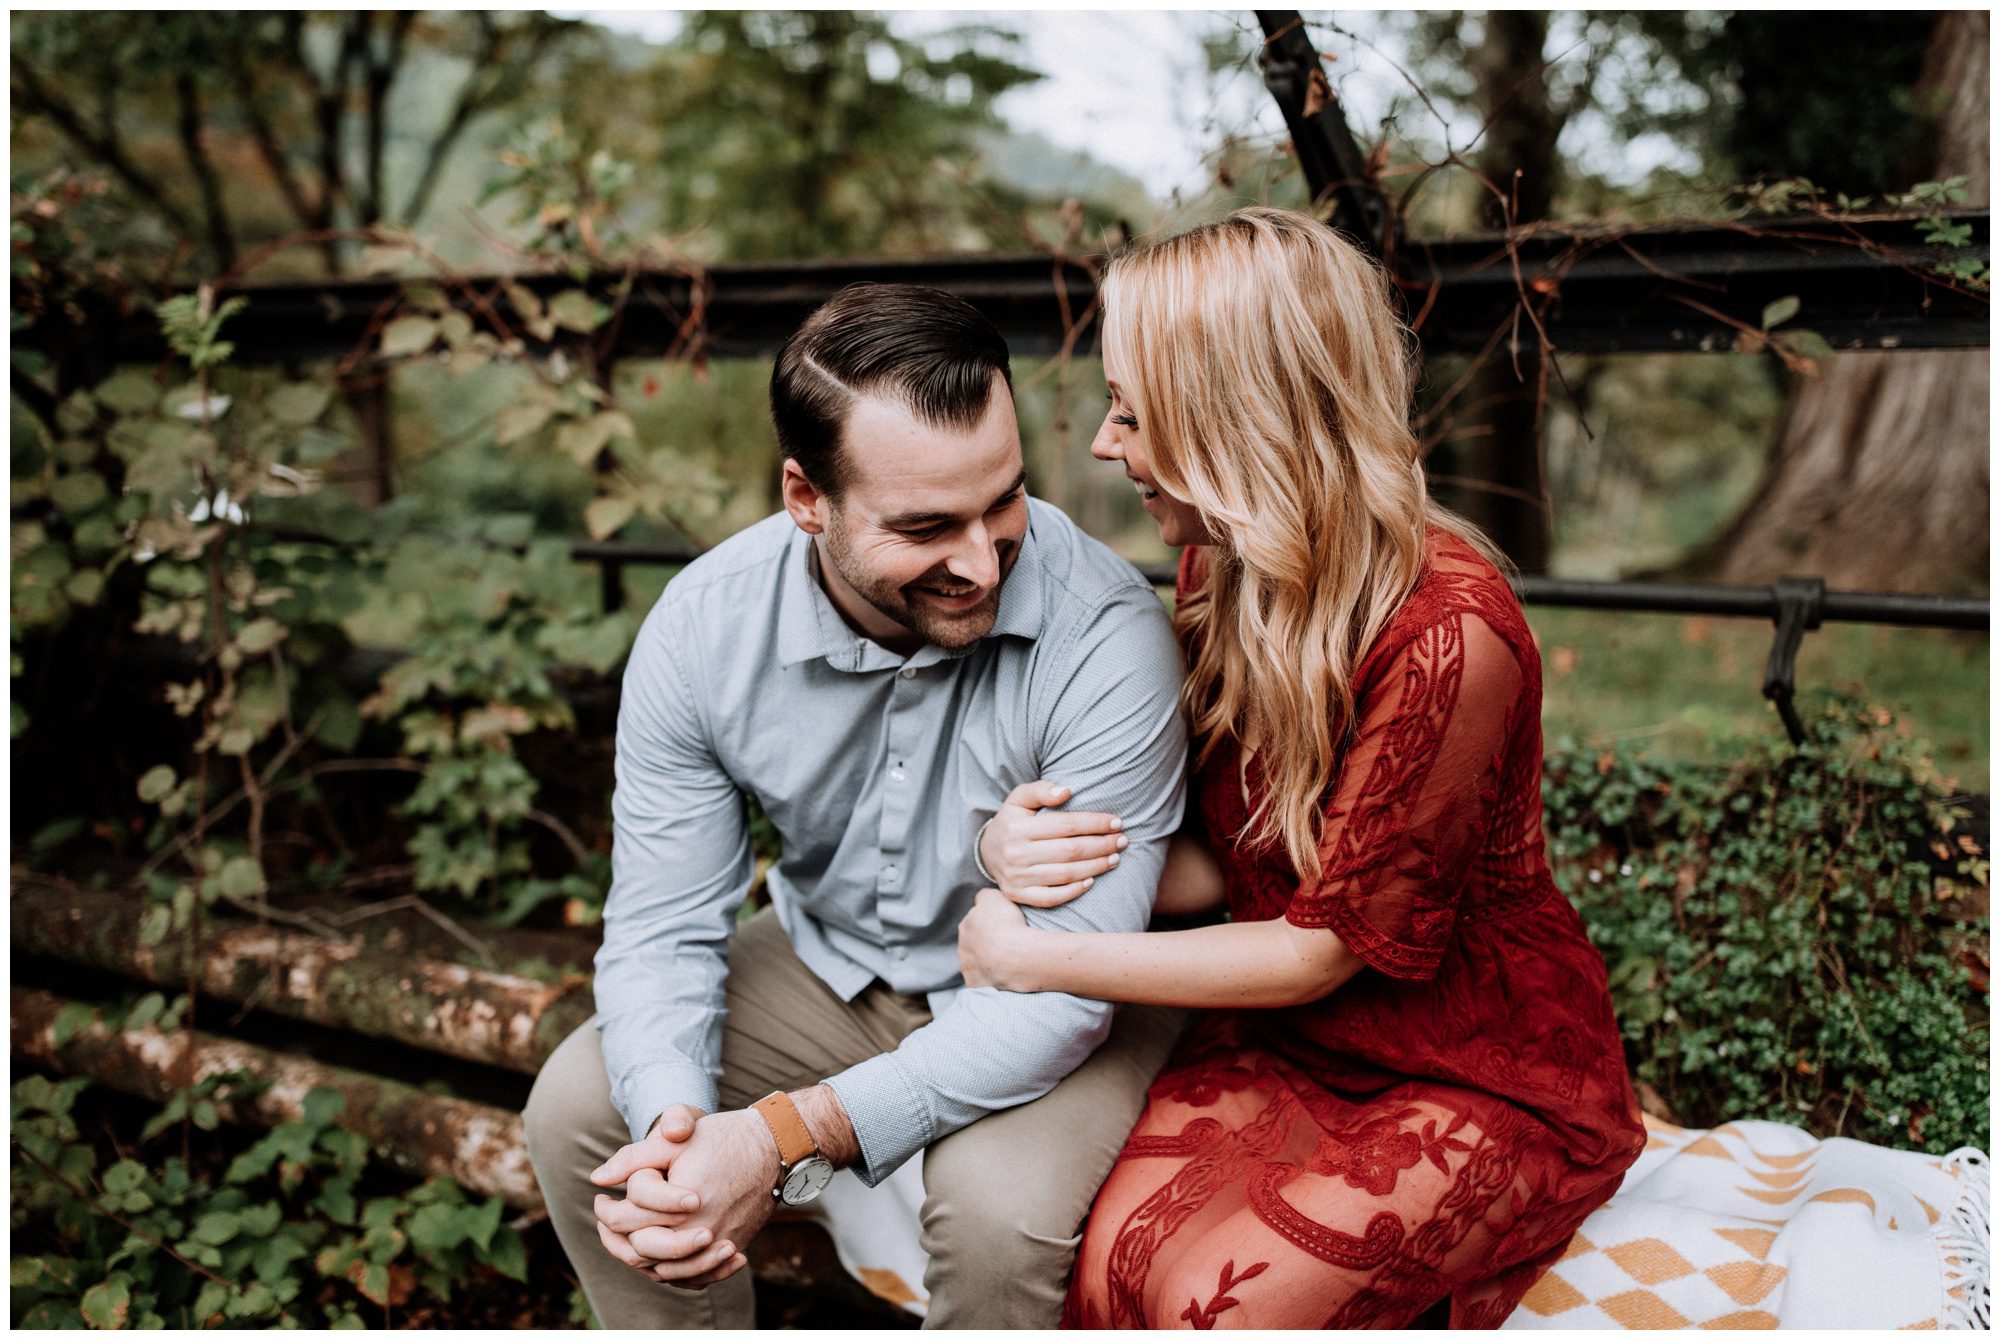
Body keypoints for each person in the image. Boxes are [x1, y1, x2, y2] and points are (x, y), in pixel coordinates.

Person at [956, 207, 1647, 1329]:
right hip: (1281, 1035)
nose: (1100, 442)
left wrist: (1044, 958)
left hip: (1466, 1056)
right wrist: (1020, 846)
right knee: (1112, 1267)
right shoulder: (1217, 567)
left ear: (1233, 420)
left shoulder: (1447, 635)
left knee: (1216, 1309)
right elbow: (1227, 858)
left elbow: (1318, 945)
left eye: (1132, 411)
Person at [522, 282, 1191, 1329]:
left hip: (1048, 990)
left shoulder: (1105, 634)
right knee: (582, 1107)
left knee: (995, 1214)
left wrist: (781, 1135)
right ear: (806, 497)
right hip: (829, 959)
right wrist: (678, 1133)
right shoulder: (702, 630)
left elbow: (1064, 990)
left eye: (1003, 500)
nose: (980, 560)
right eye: (926, 525)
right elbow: (660, 925)